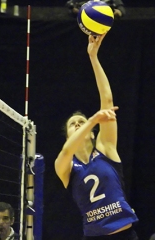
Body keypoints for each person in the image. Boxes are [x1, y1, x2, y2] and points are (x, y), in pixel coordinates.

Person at [54, 34, 139, 239]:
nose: (77, 124)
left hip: (125, 234)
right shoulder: (65, 165)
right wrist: (91, 120)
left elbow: (107, 100)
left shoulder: (105, 149)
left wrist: (93, 56)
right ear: (68, 137)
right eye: (72, 125)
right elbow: (67, 151)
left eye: (80, 123)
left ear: (91, 135)